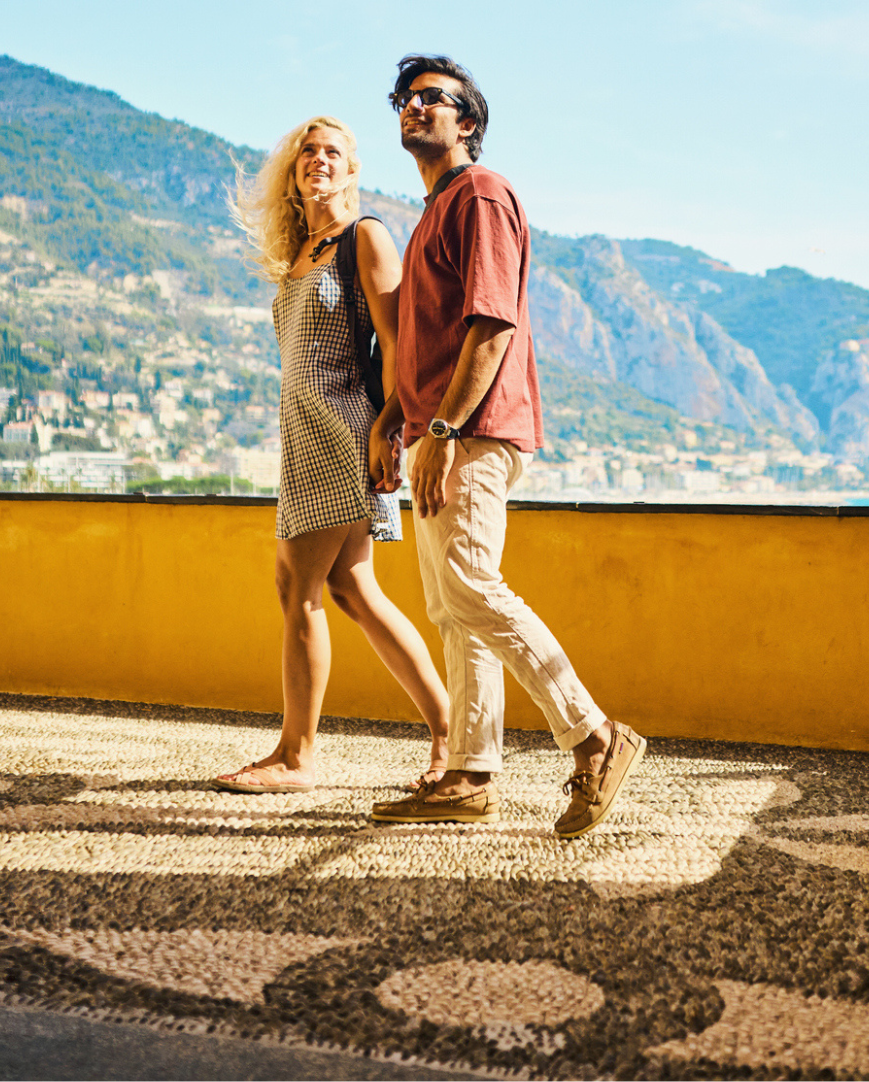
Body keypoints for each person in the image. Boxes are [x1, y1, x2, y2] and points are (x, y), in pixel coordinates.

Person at [369, 58, 646, 837]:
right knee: (453, 608)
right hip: (438, 431)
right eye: (405, 98)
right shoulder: (433, 211)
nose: (413, 107)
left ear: (468, 123)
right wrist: (395, 417)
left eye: (433, 98)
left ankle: (594, 736)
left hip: (474, 431)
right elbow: (430, 341)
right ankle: (468, 771)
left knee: (466, 585)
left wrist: (447, 431)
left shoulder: (481, 196)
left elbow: (493, 324)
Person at [212, 115, 449, 793]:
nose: (319, 159)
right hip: (304, 432)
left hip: (347, 428)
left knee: (299, 587)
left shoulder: (364, 238)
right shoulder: (302, 254)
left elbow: (401, 343)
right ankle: (448, 730)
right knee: (351, 587)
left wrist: (393, 429)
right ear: (294, 172)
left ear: (352, 170)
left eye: (333, 152)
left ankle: (296, 756)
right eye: (307, 152)